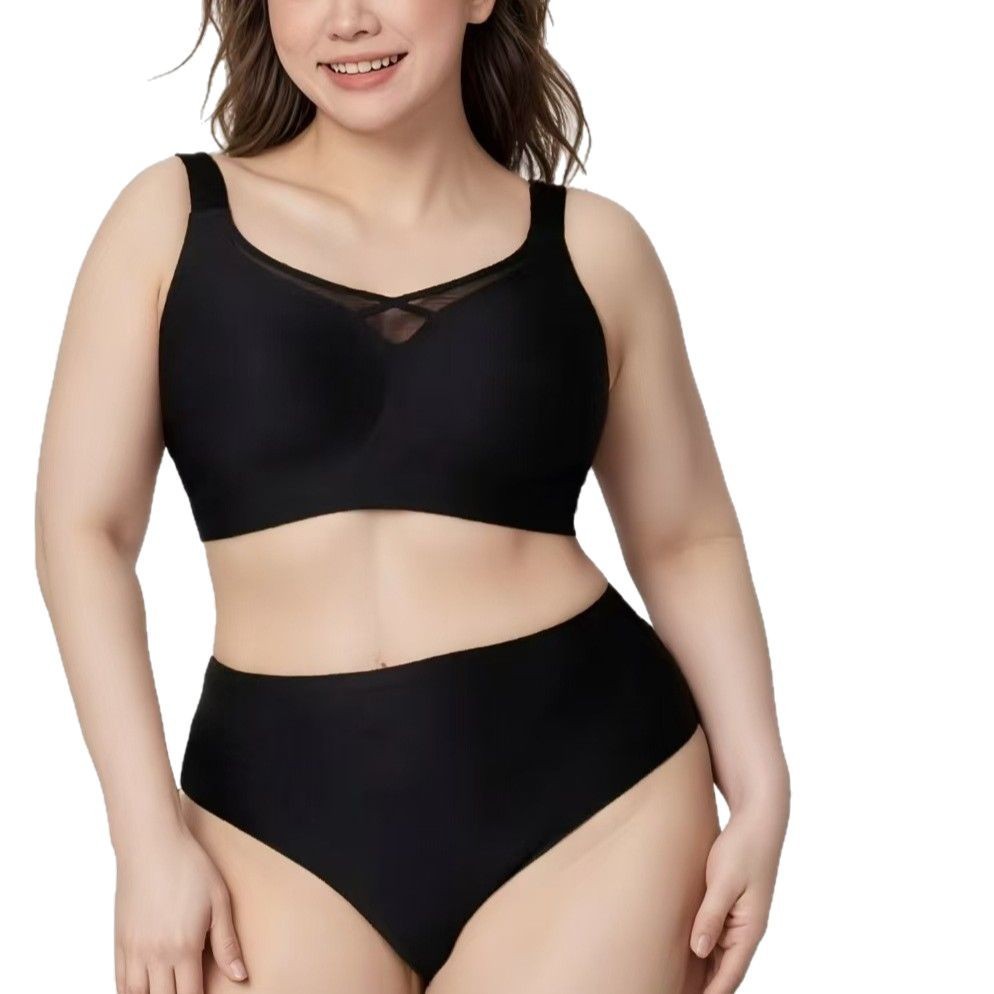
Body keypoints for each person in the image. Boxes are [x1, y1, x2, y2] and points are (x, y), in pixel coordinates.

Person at [34, 2, 790, 993]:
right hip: (271, 816)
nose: (348, 19)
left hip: (593, 803)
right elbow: (83, 533)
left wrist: (762, 788)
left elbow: (685, 537)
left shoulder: (594, 249)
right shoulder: (170, 221)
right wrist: (143, 838)